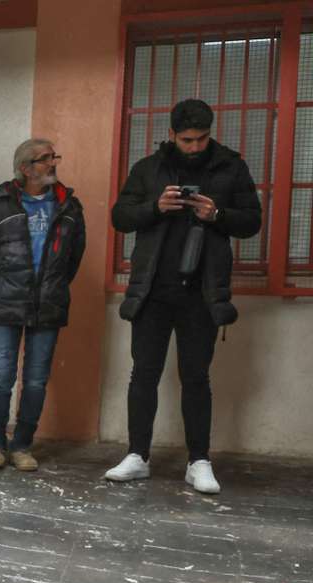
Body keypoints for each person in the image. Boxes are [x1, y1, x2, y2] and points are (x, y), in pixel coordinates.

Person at [105, 99, 261, 494]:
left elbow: (252, 221)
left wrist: (218, 215)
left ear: (211, 133)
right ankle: (137, 455)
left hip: (202, 294)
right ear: (172, 135)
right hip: (153, 291)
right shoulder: (149, 168)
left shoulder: (230, 166)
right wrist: (156, 208)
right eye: (187, 139)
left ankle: (199, 461)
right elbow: (120, 217)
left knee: (196, 377)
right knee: (144, 374)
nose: (195, 147)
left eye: (202, 139)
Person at [0, 138, 86, 471]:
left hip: (48, 305)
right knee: (1, 377)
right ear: (25, 168)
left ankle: (21, 446)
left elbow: (73, 257)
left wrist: (54, 286)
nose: (53, 163)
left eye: (53, 157)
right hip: (4, 305)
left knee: (35, 380)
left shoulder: (69, 208)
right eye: (44, 159)